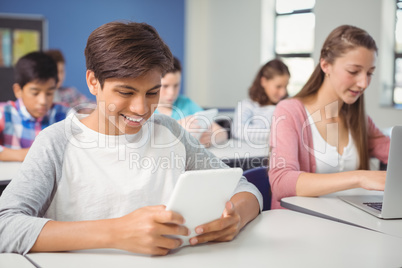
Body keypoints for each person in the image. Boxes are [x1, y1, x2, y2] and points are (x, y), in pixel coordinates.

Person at [0, 21, 262, 255]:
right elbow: (5, 226)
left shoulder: (169, 132)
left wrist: (235, 217)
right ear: (93, 82)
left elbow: (244, 188)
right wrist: (115, 232)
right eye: (125, 92)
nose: (141, 108)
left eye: (152, 92)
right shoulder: (56, 142)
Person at [268, 25, 390, 209]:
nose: (364, 83)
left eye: (369, 73)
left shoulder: (360, 120)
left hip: (351, 223)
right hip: (300, 225)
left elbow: (394, 152)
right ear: (325, 65)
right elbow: (281, 182)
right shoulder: (289, 112)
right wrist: (360, 177)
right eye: (353, 71)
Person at [0, 51, 69, 162]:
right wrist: (27, 155)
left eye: (49, 93)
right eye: (35, 93)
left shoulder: (64, 114)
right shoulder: (4, 113)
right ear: (18, 90)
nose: (43, 101)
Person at [155, 57, 228, 147]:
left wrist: (210, 138)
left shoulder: (186, 103)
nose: (171, 93)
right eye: (165, 86)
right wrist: (177, 127)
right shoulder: (146, 109)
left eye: (176, 85)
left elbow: (222, 133)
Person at [232, 59, 290, 144]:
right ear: (263, 81)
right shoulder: (247, 105)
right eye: (278, 86)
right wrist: (274, 134)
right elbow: (237, 131)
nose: (283, 92)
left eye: (286, 86)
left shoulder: (287, 106)